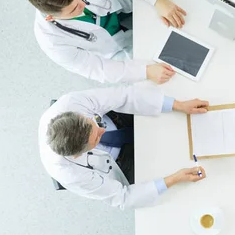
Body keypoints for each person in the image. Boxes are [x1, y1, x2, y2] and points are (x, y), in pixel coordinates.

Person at [39, 85, 209, 209]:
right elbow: (123, 197)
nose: (102, 130)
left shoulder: (71, 103)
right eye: (97, 137)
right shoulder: (70, 174)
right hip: (119, 162)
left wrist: (177, 105)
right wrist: (175, 179)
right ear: (78, 155)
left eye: (94, 123)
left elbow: (122, 96)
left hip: (119, 121)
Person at [27, 0, 188, 84]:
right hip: (115, 46)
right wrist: (146, 71)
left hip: (119, 1)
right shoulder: (52, 42)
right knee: (167, 66)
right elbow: (98, 69)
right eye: (74, 9)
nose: (83, 4)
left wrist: (159, 1)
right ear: (50, 17)